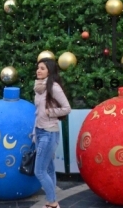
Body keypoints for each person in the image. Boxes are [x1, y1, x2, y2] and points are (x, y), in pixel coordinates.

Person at [33, 58, 71, 208]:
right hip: (40, 131)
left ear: (49, 70)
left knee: (39, 171)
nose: (38, 70)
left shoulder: (54, 87)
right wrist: (34, 131)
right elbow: (37, 112)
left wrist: (50, 112)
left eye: (42, 68)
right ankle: (52, 202)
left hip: (49, 133)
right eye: (38, 68)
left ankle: (52, 202)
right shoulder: (38, 87)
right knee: (48, 168)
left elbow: (67, 108)